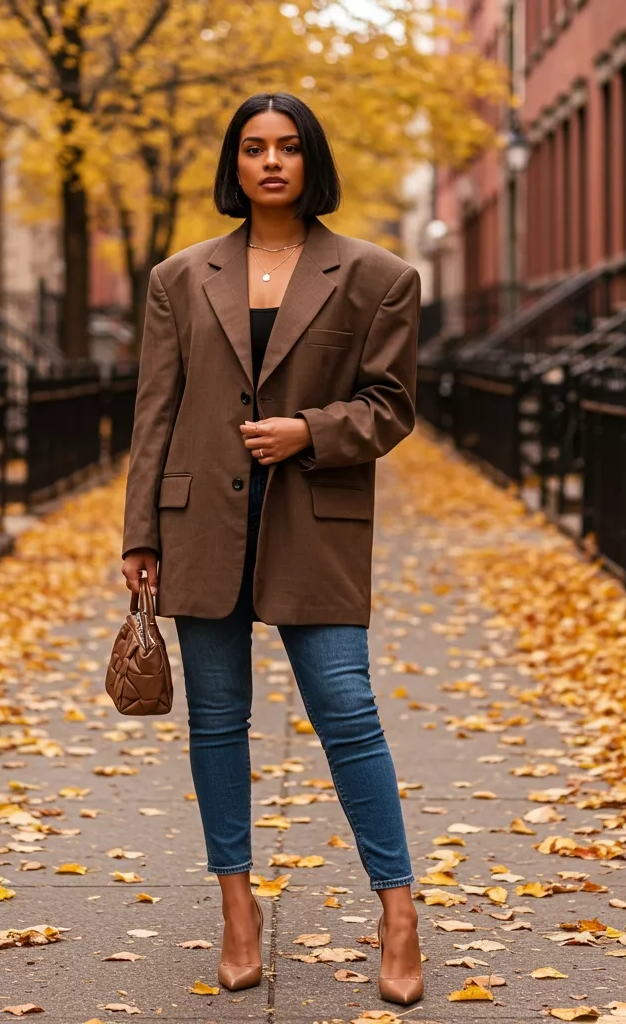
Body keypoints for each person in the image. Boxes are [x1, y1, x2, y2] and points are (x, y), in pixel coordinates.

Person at [120, 92, 423, 1006]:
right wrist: (140, 533)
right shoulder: (179, 277)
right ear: (236, 164)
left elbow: (393, 404)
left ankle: (399, 911)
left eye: (289, 147)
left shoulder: (376, 276)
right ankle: (237, 909)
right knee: (215, 721)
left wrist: (310, 431)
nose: (272, 162)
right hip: (199, 524)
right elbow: (156, 412)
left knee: (347, 710)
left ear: (311, 160)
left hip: (313, 523)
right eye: (254, 148)